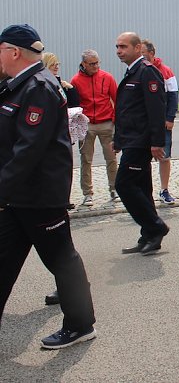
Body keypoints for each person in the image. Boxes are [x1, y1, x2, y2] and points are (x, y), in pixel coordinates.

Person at [0, 24, 96, 349]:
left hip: (39, 196)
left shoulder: (38, 86)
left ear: (14, 52)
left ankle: (81, 325)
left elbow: (29, 149)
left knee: (62, 260)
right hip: (16, 196)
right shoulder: (15, 85)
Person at [113, 32, 169, 255]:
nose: (119, 50)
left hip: (141, 141)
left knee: (124, 184)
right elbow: (126, 111)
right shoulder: (132, 72)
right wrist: (118, 140)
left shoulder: (147, 72)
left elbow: (156, 110)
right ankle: (149, 235)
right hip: (131, 140)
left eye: (124, 46)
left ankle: (156, 226)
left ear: (138, 48)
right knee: (142, 189)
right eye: (117, 47)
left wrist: (157, 142)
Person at [70, 49, 119, 205]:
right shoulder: (76, 81)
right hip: (87, 125)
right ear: (84, 64)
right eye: (92, 64)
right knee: (86, 160)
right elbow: (74, 104)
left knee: (111, 158)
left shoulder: (107, 77)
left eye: (97, 62)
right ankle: (87, 193)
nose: (96, 66)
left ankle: (114, 189)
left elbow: (117, 99)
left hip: (106, 123)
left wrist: (115, 118)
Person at [141, 39, 178, 205]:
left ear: (151, 53)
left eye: (143, 54)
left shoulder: (166, 71)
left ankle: (164, 190)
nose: (141, 58)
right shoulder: (137, 71)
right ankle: (144, 192)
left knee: (164, 157)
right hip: (143, 124)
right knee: (142, 158)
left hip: (163, 123)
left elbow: (173, 96)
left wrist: (170, 118)